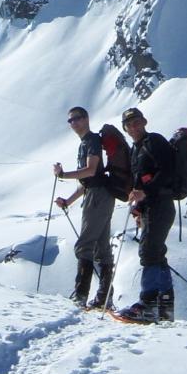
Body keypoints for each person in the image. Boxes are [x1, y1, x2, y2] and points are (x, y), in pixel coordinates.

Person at [52, 107, 117, 309]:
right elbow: (89, 180)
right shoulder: (87, 142)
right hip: (100, 195)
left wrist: (62, 175)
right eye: (70, 121)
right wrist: (69, 201)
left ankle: (81, 296)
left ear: (86, 119)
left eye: (77, 119)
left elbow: (89, 171)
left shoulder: (91, 141)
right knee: (102, 248)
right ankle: (104, 298)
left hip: (97, 197)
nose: (74, 123)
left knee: (85, 245)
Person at [117, 107, 175, 323]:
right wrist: (139, 207)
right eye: (129, 124)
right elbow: (141, 181)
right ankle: (165, 308)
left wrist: (145, 192)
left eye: (136, 122)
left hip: (161, 205)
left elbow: (167, 172)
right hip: (152, 207)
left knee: (149, 251)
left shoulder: (155, 142)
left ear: (144, 122)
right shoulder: (137, 149)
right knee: (155, 252)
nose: (133, 127)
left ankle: (148, 304)